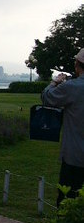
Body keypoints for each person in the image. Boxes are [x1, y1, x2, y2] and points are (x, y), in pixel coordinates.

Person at [42, 48, 84, 205]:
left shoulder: (73, 87)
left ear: (77, 65)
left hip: (74, 157)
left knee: (67, 202)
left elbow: (47, 97)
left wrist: (56, 82)